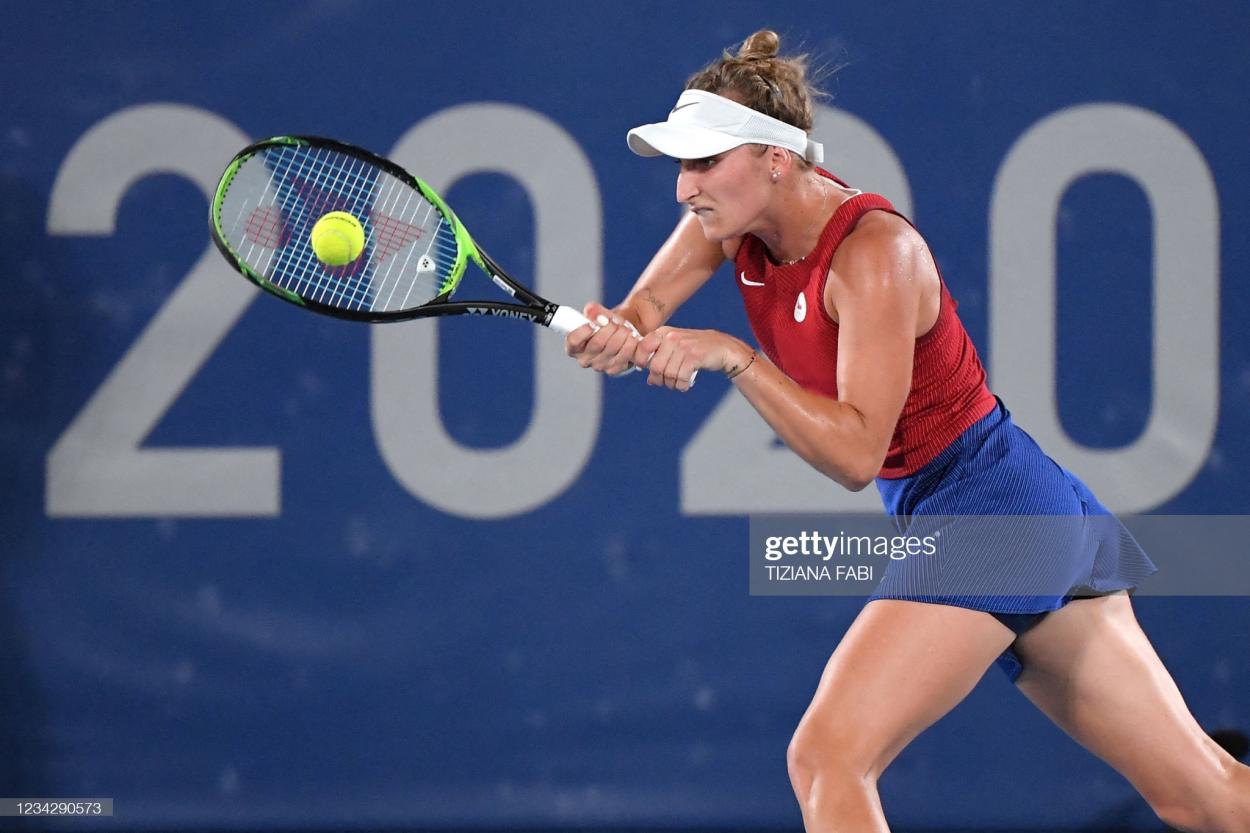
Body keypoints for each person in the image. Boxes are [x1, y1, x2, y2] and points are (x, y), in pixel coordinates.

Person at [565, 28, 1250, 833]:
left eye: (705, 162)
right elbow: (644, 310)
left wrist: (735, 360)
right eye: (682, 165)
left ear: (776, 160)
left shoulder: (876, 254)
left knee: (827, 756)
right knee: (1209, 800)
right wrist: (617, 329)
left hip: (993, 517)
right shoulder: (729, 217)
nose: (685, 188)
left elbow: (857, 454)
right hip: (1030, 514)